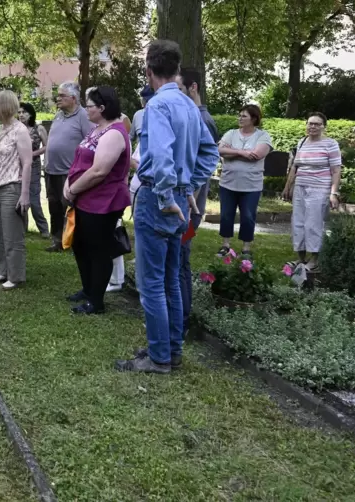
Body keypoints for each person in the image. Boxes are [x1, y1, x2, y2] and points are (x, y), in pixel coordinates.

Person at [115, 39, 219, 374]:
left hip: (157, 201)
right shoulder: (190, 104)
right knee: (172, 280)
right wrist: (186, 187)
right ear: (176, 69)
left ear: (148, 72)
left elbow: (159, 158)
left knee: (152, 284)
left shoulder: (158, 107)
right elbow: (210, 154)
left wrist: (166, 195)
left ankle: (159, 357)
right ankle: (170, 351)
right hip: (177, 203)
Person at [64, 86, 131, 314]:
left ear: (102, 108)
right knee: (80, 245)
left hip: (104, 201)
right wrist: (69, 183)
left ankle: (96, 301)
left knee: (98, 249)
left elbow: (99, 171)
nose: (86, 109)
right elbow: (80, 160)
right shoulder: (97, 129)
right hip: (86, 197)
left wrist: (72, 190)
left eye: (90, 106)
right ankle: (88, 289)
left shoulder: (113, 133)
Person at [175, 67, 220, 335]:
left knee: (181, 260)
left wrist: (188, 189)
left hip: (190, 210)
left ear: (193, 88)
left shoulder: (202, 120)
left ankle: (182, 322)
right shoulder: (190, 116)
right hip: (185, 206)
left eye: (180, 91)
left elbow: (205, 162)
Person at [282, 112, 342, 272]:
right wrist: (288, 186)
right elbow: (295, 166)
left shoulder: (331, 144)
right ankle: (300, 259)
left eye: (317, 124)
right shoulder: (302, 142)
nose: (312, 126)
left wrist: (333, 193)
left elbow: (336, 170)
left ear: (324, 127)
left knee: (313, 224)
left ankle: (314, 260)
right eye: (310, 123)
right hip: (300, 188)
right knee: (298, 223)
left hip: (319, 189)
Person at [0, 91, 32, 291]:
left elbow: (27, 163)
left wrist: (25, 193)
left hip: (12, 186)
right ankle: (2, 271)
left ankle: (15, 276)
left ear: (4, 106)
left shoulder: (20, 131)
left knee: (13, 235)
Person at [216, 104, 272, 258]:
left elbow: (257, 154)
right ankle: (225, 244)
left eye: (244, 116)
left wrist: (231, 153)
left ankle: (246, 247)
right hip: (228, 183)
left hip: (251, 185)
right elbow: (220, 150)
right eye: (239, 115)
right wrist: (242, 152)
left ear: (254, 119)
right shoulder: (231, 133)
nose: (240, 118)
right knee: (226, 215)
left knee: (248, 216)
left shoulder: (262, 136)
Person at [45, 81, 94, 252]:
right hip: (52, 170)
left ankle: (72, 241)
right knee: (54, 207)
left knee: (71, 208)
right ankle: (57, 240)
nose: (57, 99)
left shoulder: (83, 116)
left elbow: (91, 142)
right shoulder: (59, 115)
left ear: (73, 98)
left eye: (61, 96)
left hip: (70, 171)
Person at [17, 102, 50, 237]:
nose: (21, 115)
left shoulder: (39, 128)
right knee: (19, 196)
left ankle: (44, 229)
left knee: (34, 198)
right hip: (18, 166)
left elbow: (47, 146)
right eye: (19, 112)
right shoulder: (16, 129)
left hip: (34, 166)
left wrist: (33, 154)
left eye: (24, 112)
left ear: (31, 114)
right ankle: (22, 228)